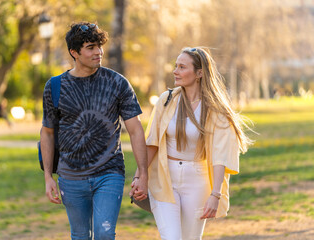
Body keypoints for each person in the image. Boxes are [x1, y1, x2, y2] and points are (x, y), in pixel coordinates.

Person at [40, 22, 148, 240]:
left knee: (104, 233)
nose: (98, 52)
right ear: (74, 52)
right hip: (70, 176)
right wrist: (47, 177)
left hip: (109, 172)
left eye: (99, 46)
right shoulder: (55, 87)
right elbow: (48, 132)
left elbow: (136, 130)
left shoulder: (117, 83)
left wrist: (142, 173)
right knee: (80, 236)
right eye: (90, 47)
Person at [131, 47, 251, 240]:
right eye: (175, 66)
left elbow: (220, 155)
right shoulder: (166, 100)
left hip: (197, 181)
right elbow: (152, 142)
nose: (175, 71)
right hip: (164, 177)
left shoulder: (215, 109)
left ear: (199, 73)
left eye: (182, 67)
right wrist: (140, 176)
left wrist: (215, 194)